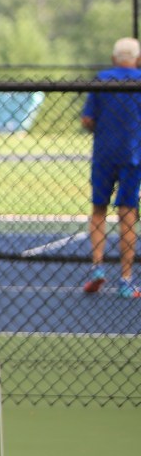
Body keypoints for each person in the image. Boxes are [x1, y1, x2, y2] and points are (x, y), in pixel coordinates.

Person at [80, 37, 141, 298]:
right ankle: (126, 279)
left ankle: (97, 267)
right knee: (128, 213)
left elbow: (87, 119)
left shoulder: (102, 79)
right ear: (138, 59)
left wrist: (103, 128)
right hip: (133, 154)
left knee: (98, 209)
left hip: (104, 153)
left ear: (114, 57)